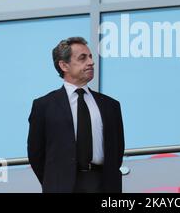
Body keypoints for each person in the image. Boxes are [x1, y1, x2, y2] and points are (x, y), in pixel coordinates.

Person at [27, 37, 125, 193]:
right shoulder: (44, 106)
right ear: (64, 65)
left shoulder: (110, 106)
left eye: (91, 56)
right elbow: (36, 154)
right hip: (61, 186)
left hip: (103, 185)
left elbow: (117, 151)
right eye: (83, 58)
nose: (91, 62)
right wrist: (54, 182)